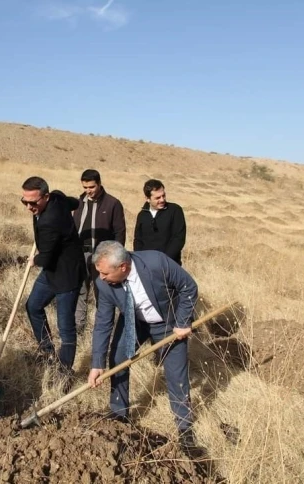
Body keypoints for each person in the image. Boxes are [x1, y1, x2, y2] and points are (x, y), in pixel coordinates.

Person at [87, 241, 199, 453]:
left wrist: (183, 322)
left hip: (168, 323)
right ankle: (120, 413)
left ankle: (185, 429)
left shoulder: (156, 262)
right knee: (118, 359)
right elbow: (103, 322)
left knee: (176, 374)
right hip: (134, 322)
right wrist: (96, 363)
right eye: (99, 273)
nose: (101, 278)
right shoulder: (103, 284)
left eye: (105, 273)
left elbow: (188, 287)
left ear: (123, 267)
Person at [22, 176, 85, 379]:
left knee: (65, 327)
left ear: (46, 196)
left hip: (66, 275)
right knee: (33, 306)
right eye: (25, 201)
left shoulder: (50, 221)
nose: (29, 207)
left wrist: (34, 261)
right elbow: (74, 202)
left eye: (33, 202)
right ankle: (48, 351)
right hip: (52, 272)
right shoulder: (58, 197)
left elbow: (46, 258)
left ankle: (64, 372)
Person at [72, 169, 126, 334]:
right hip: (80, 253)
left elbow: (119, 232)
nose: (88, 190)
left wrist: (114, 258)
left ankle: (102, 330)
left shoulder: (112, 203)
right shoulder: (79, 202)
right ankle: (78, 329)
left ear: (99, 183)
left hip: (102, 257)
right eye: (85, 187)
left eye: (92, 187)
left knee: (102, 293)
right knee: (80, 290)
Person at [133, 179, 186, 266]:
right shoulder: (142, 215)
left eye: (163, 196)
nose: (162, 200)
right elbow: (138, 240)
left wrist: (164, 261)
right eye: (157, 198)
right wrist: (140, 260)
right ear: (147, 199)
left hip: (170, 265)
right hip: (146, 265)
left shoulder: (175, 210)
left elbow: (178, 239)